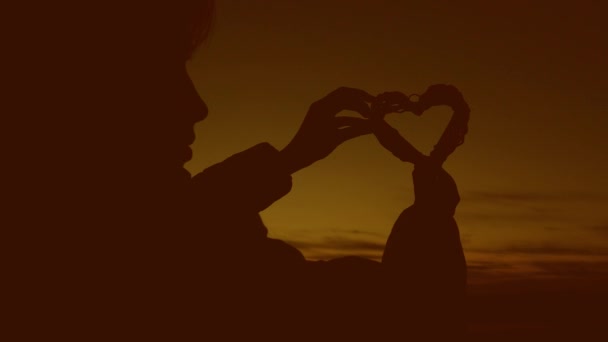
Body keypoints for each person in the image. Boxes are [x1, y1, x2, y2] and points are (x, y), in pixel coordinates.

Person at [12, 1, 468, 340]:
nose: (197, 106)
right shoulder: (165, 273)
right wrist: (429, 223)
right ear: (83, 85)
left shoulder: (54, 243)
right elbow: (399, 316)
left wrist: (288, 159)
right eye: (162, 68)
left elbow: (177, 226)